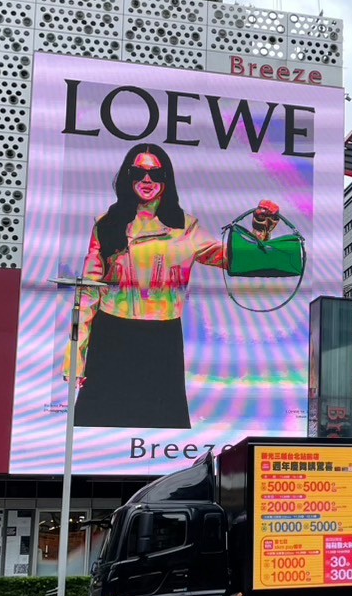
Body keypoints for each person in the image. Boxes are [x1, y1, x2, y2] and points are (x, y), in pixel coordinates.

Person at [65, 142, 280, 429]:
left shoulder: (185, 228)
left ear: (167, 179)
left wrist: (259, 230)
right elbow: (87, 293)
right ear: (128, 177)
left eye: (155, 174)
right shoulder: (107, 225)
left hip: (161, 340)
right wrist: (75, 358)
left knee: (164, 426)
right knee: (96, 426)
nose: (147, 180)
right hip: (111, 337)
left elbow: (229, 257)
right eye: (138, 172)